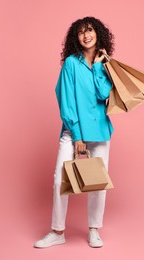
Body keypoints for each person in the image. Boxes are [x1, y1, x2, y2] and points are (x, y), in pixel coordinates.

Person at [34, 16, 115, 248]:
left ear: (98, 33)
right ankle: (57, 231)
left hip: (99, 130)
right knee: (61, 178)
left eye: (90, 30)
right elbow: (66, 100)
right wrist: (77, 135)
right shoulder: (71, 63)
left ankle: (93, 229)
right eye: (81, 32)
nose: (86, 35)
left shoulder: (105, 64)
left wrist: (99, 66)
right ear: (75, 38)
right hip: (73, 131)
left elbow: (103, 95)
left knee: (98, 182)